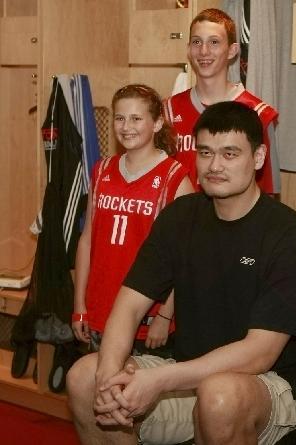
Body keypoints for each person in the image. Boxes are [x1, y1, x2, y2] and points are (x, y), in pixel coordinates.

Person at [67, 101, 296, 445]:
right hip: (187, 378)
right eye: (205, 152)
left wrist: (161, 380)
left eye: (230, 154)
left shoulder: (288, 234)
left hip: (268, 385)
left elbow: (260, 352)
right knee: (85, 377)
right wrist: (110, 379)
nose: (214, 166)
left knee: (219, 395)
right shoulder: (180, 217)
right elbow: (129, 306)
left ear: (257, 158)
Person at [72, 84, 194, 357]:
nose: (127, 126)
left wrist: (165, 316)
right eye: (120, 117)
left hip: (147, 319)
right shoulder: (101, 170)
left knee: (132, 397)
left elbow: (185, 258)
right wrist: (79, 303)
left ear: (158, 123)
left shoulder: (176, 179)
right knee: (98, 392)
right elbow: (87, 239)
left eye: (137, 118)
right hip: (99, 310)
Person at [163, 8, 279, 193]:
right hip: (181, 219)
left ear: (232, 50)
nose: (204, 51)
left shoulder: (258, 113)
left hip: (233, 221)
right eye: (197, 42)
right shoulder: (167, 111)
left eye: (214, 42)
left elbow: (267, 192)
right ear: (188, 49)